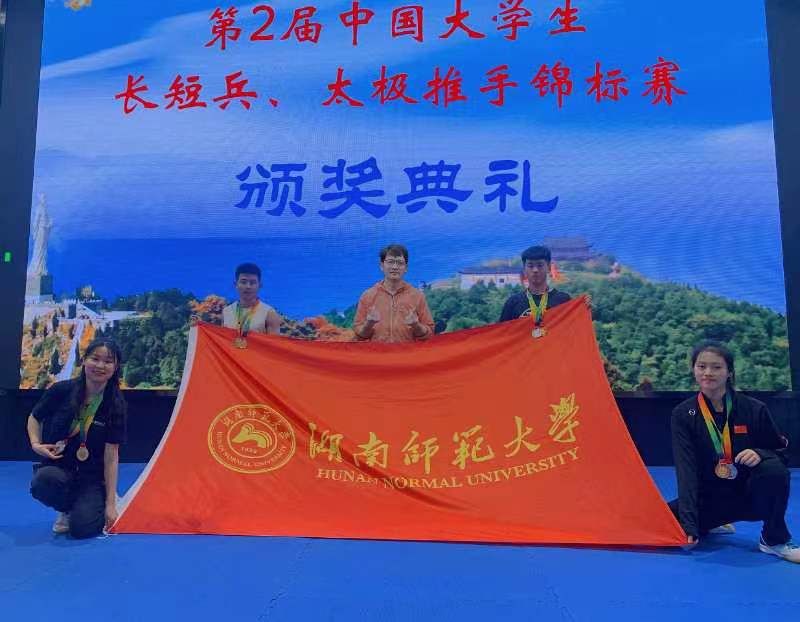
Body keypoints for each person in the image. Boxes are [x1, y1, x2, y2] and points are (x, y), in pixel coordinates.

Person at [669, 341, 798, 562]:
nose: (708, 373)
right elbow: (685, 469)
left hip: (749, 496)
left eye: (716, 367)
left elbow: (781, 453)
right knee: (659, 524)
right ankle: (712, 522)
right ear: (694, 369)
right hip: (710, 498)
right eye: (701, 366)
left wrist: (761, 453)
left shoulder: (753, 408)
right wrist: (689, 524)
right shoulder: (683, 414)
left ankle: (773, 539)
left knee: (773, 469)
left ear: (729, 372)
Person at [27, 339, 127, 538]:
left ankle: (98, 501)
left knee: (82, 529)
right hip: (60, 468)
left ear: (115, 367)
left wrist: (110, 505)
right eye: (95, 359)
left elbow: (111, 456)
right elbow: (34, 417)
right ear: (84, 360)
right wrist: (36, 444)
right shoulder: (61, 390)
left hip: (92, 477)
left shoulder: (116, 404)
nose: (100, 365)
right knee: (43, 482)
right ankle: (67, 509)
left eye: (108, 361)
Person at [353, 244, 435, 343]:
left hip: (407, 352)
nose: (395, 267)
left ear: (406, 268)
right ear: (382, 265)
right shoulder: (368, 296)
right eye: (390, 262)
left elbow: (430, 333)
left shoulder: (417, 296)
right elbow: (358, 336)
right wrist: (369, 323)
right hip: (378, 352)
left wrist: (416, 325)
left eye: (400, 263)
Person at [498, 245, 577, 334]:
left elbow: (575, 331)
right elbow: (501, 334)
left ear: (548, 267)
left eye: (540, 265)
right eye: (530, 266)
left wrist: (585, 310)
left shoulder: (563, 300)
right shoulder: (513, 303)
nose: (535, 270)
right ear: (524, 269)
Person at [221, 263, 282, 338]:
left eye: (252, 283)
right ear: (235, 284)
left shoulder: (269, 313)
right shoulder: (226, 312)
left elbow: (274, 344)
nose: (248, 286)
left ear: (260, 285)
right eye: (243, 282)